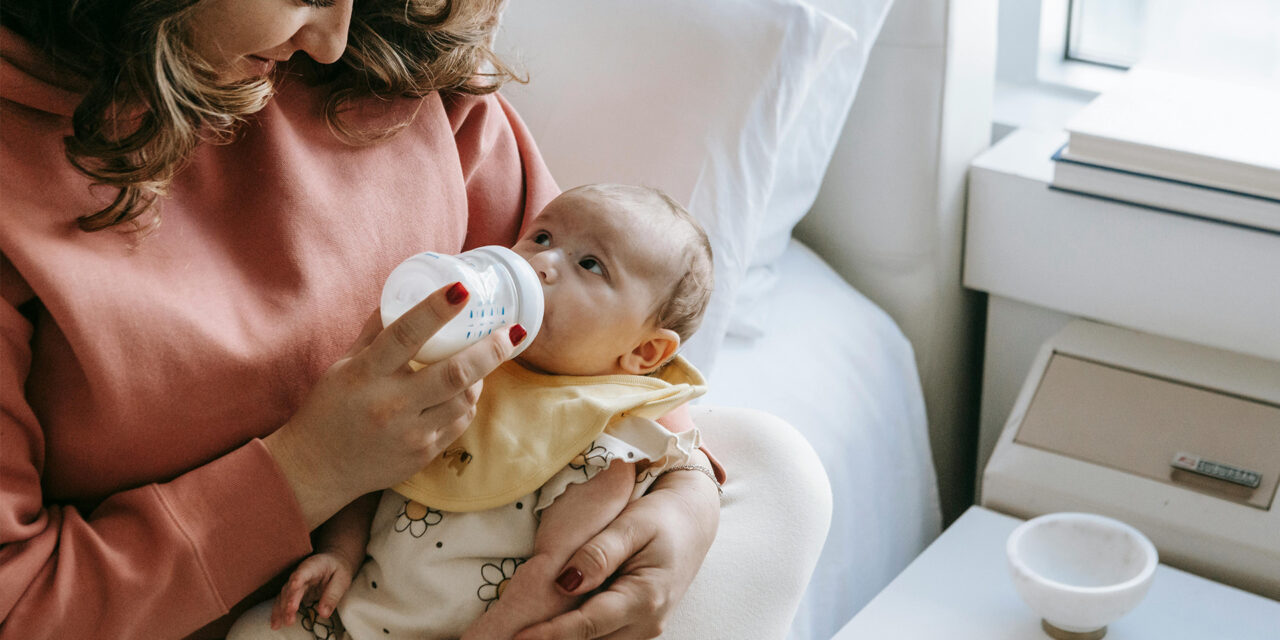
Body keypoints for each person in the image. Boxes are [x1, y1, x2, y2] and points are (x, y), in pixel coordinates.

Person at [0, 2, 726, 638]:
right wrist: (308, 472)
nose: (334, 40)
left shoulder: (395, 51)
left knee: (786, 470)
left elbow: (617, 338)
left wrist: (687, 496)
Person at [227, 183, 717, 640]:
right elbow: (370, 467)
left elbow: (555, 574)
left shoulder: (600, 442)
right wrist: (340, 551)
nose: (542, 261)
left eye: (590, 265)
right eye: (541, 236)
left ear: (645, 355)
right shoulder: (459, 360)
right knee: (255, 630)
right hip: (351, 617)